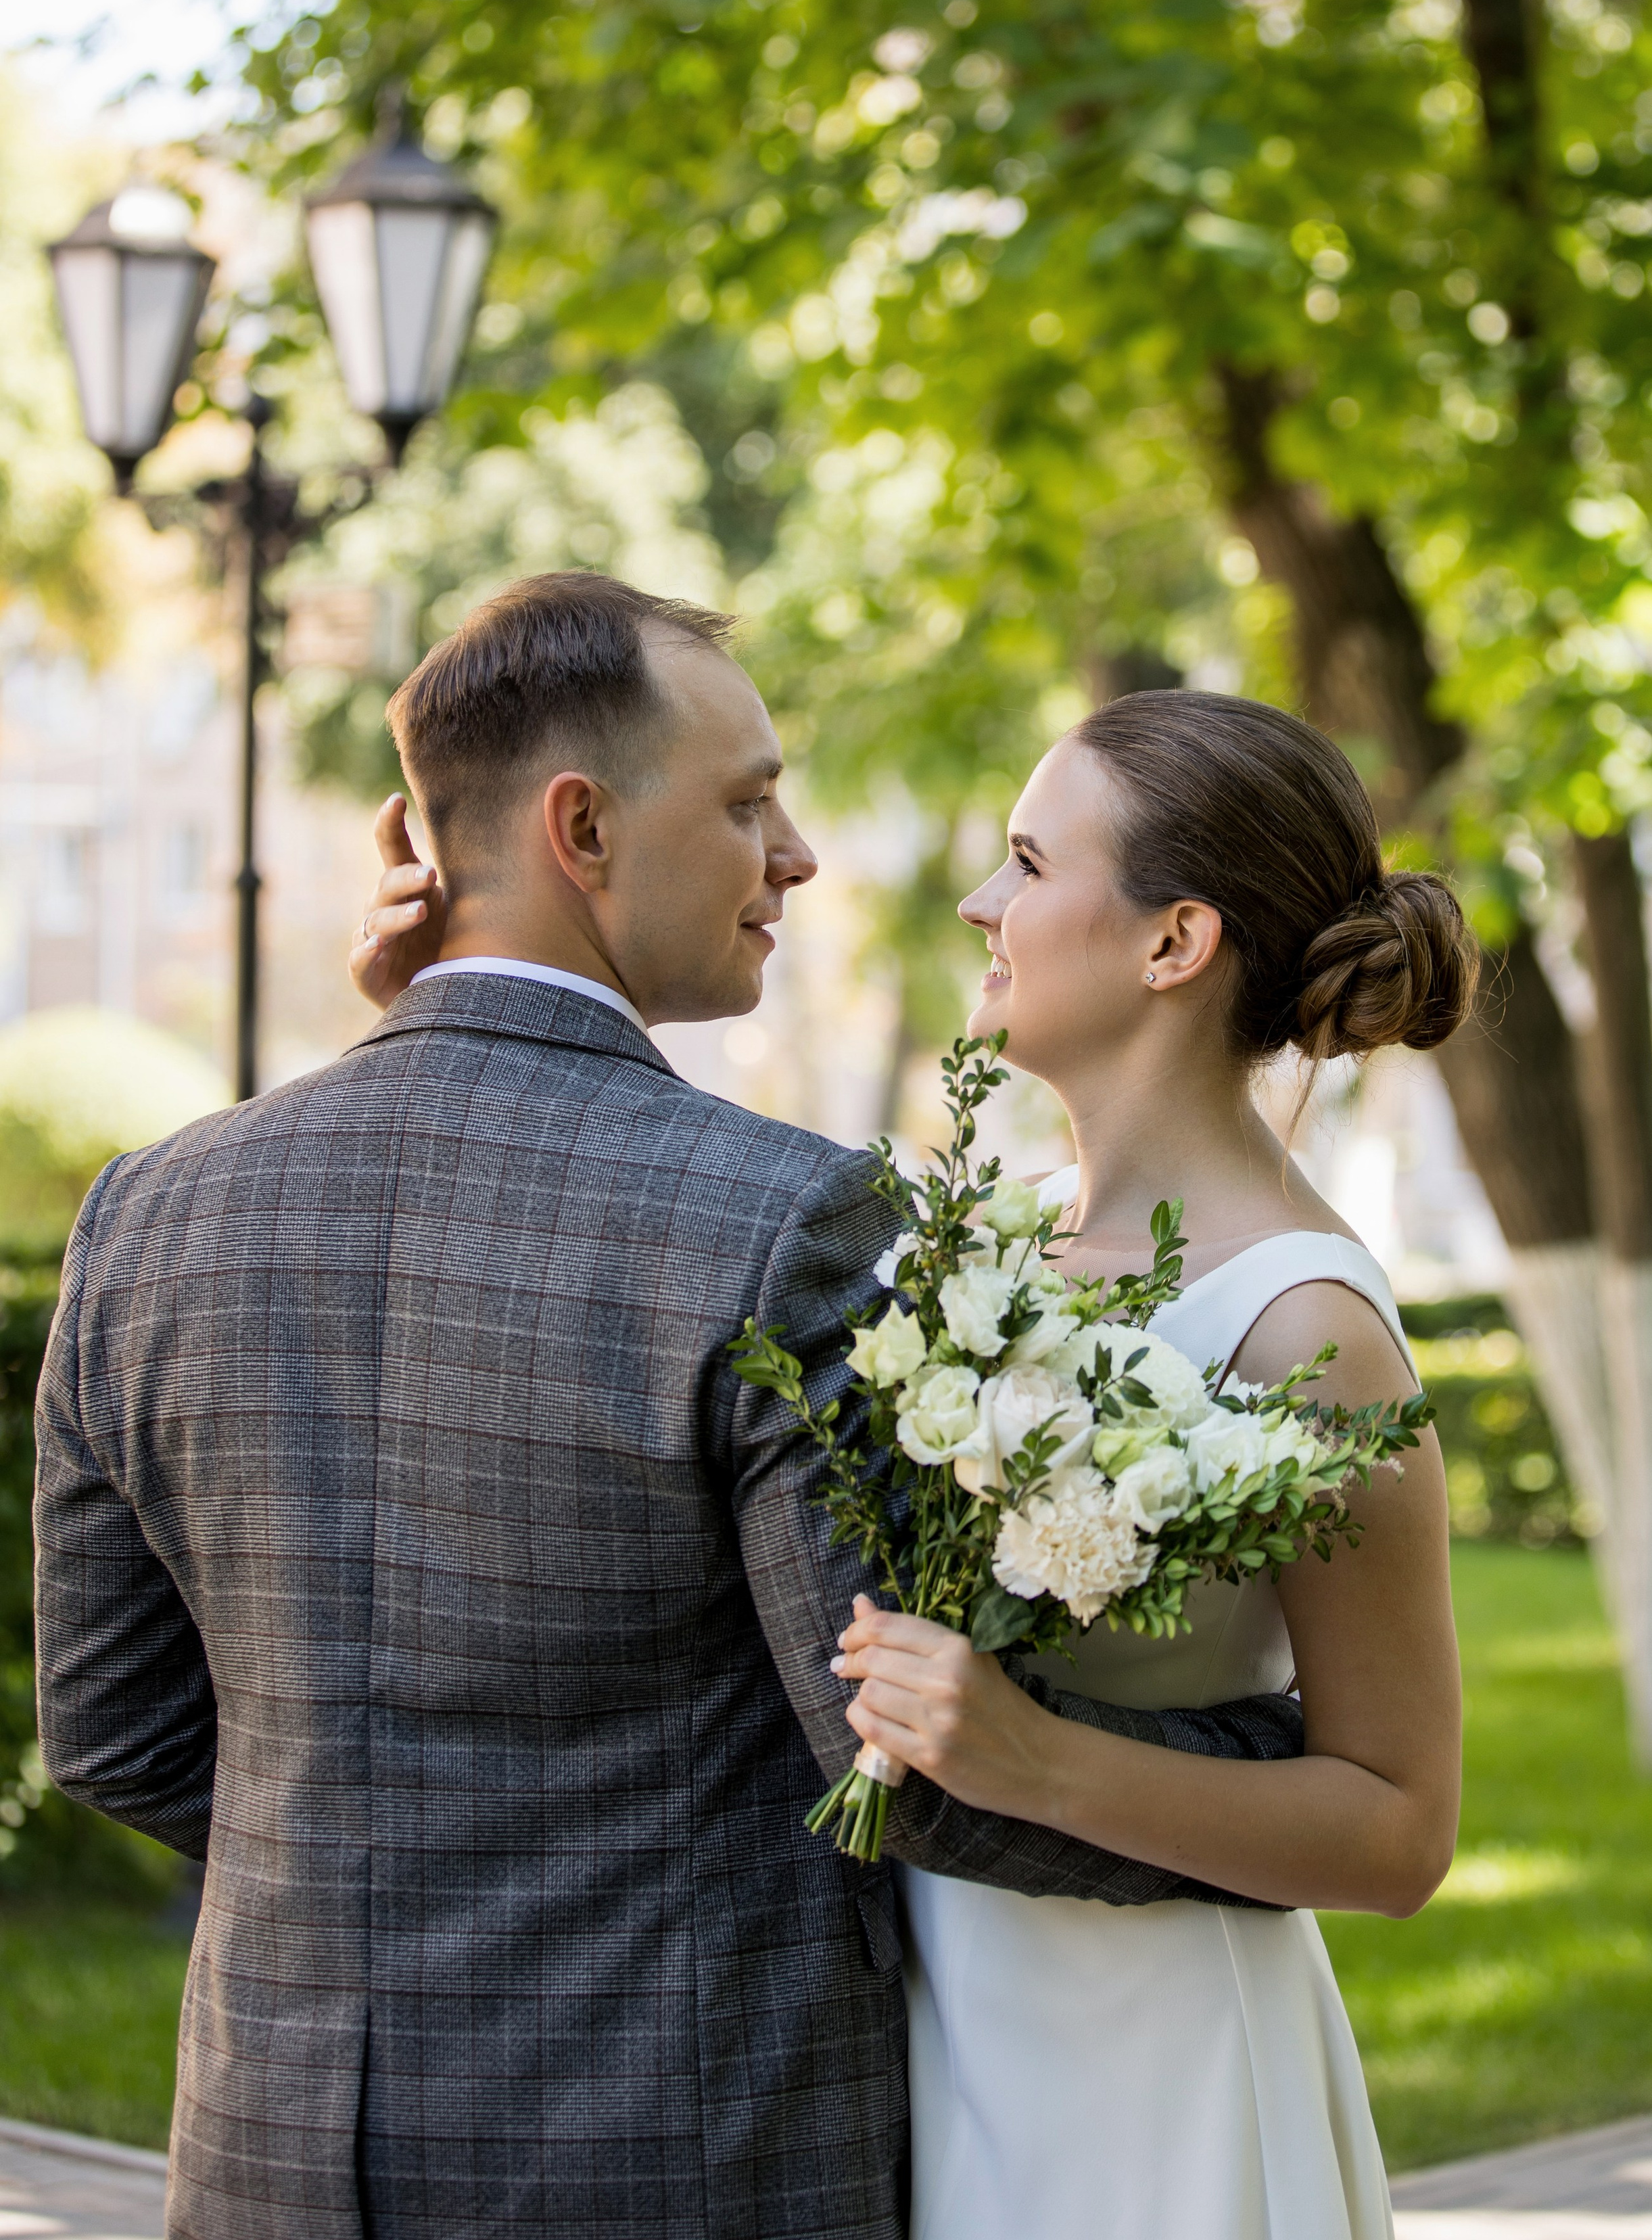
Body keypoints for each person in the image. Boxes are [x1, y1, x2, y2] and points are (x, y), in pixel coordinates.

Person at [34, 574, 1301, 2240]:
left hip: (269, 2157)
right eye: (747, 801)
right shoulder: (784, 1220)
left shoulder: (146, 1212)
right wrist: (1283, 1783)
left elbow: (115, 1734)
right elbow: (900, 1763)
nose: (797, 856)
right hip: (678, 2160)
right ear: (581, 828)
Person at [830, 691, 1471, 2240]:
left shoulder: (1305, 1325)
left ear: (1170, 942)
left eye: (1027, 862)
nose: (982, 904)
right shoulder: (976, 1240)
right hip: (931, 2029)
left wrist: (1030, 1759)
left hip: (1154, 2087)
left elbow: (1397, 1827)